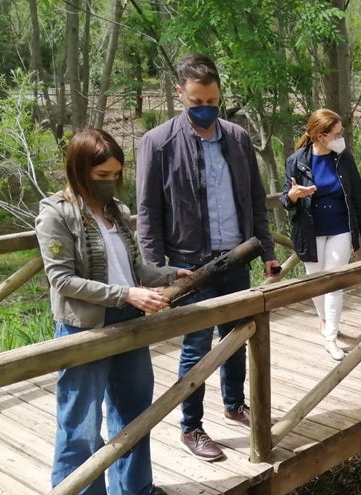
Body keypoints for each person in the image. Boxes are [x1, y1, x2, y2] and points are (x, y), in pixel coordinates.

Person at [35, 129, 190, 495]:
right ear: (80, 170)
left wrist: (172, 272)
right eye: (102, 174)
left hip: (127, 321)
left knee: (134, 409)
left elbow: (135, 269)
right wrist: (127, 294)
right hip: (84, 328)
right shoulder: (56, 213)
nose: (110, 181)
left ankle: (132, 485)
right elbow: (62, 279)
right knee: (80, 420)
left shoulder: (116, 211)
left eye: (116, 174)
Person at [136, 53, 280, 463]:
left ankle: (235, 404)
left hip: (237, 258)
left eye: (212, 100)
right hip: (190, 266)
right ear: (180, 94)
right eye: (197, 100)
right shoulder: (158, 143)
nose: (205, 108)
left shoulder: (236, 138)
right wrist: (156, 274)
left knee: (237, 340)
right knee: (196, 348)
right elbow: (148, 213)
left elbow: (255, 201)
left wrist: (267, 252)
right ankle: (191, 426)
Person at [280, 109, 361, 361]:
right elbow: (285, 200)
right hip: (310, 230)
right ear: (320, 136)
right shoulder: (297, 161)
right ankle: (325, 321)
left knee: (334, 283)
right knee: (316, 284)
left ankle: (331, 338)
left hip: (341, 228)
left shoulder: (344, 158)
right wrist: (293, 196)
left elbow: (357, 197)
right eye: (336, 134)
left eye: (340, 133)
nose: (340, 138)